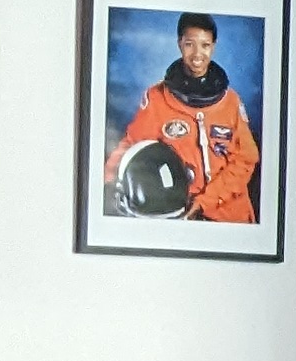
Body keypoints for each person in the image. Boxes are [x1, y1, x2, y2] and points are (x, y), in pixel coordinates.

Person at [101, 13, 258, 224]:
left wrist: (206, 201)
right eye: (189, 44)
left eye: (205, 45)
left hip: (230, 214)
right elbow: (132, 146)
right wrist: (107, 181)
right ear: (179, 44)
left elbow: (246, 159)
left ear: (214, 46)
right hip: (178, 212)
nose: (197, 54)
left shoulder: (230, 101)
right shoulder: (157, 98)